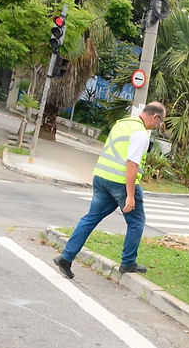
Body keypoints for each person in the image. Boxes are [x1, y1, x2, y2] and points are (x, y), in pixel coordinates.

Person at [54, 102, 166, 279]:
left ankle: (66, 257)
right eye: (161, 122)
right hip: (120, 182)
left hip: (101, 176)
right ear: (155, 117)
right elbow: (131, 164)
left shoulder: (122, 123)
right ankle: (128, 262)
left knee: (91, 218)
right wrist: (130, 195)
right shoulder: (141, 134)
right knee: (136, 222)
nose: (159, 126)